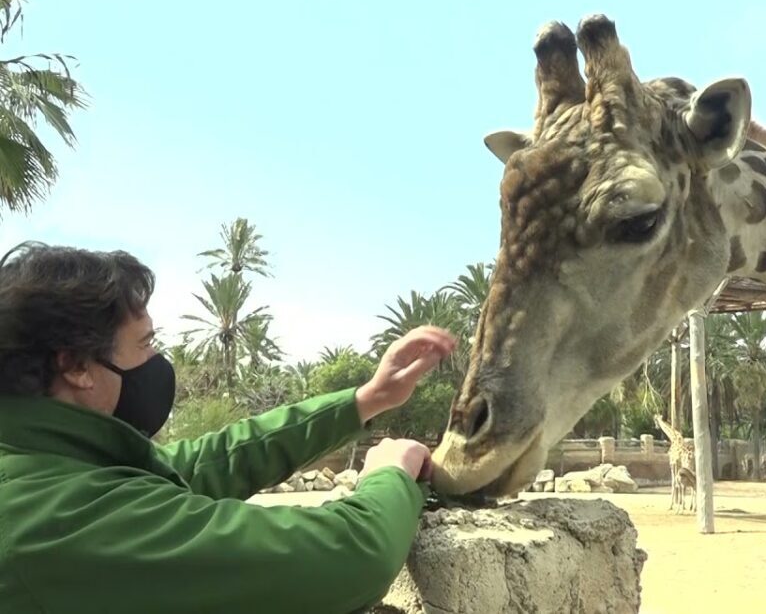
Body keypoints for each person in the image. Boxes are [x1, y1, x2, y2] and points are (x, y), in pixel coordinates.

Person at [0, 241, 457, 613]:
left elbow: (207, 462)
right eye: (144, 345)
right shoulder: (56, 521)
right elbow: (351, 558)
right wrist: (390, 476)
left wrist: (364, 401)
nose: (159, 363)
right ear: (77, 365)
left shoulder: (45, 464)